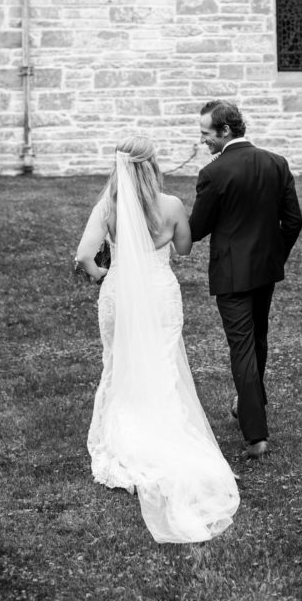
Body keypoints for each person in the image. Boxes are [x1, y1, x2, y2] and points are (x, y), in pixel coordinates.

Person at [73, 136, 240, 543]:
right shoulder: (171, 206)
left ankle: (127, 436)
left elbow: (83, 256)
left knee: (119, 361)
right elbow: (183, 249)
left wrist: (105, 277)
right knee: (163, 363)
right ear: (152, 165)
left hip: (121, 295)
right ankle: (167, 434)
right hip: (160, 292)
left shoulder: (108, 207)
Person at [189, 101, 302, 460]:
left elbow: (197, 229)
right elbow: (293, 222)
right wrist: (274, 256)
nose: (202, 140)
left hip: (232, 275)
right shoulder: (276, 162)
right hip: (265, 270)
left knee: (243, 348)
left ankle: (255, 434)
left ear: (225, 131)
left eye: (206, 133)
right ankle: (251, 401)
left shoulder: (214, 173)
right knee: (258, 339)